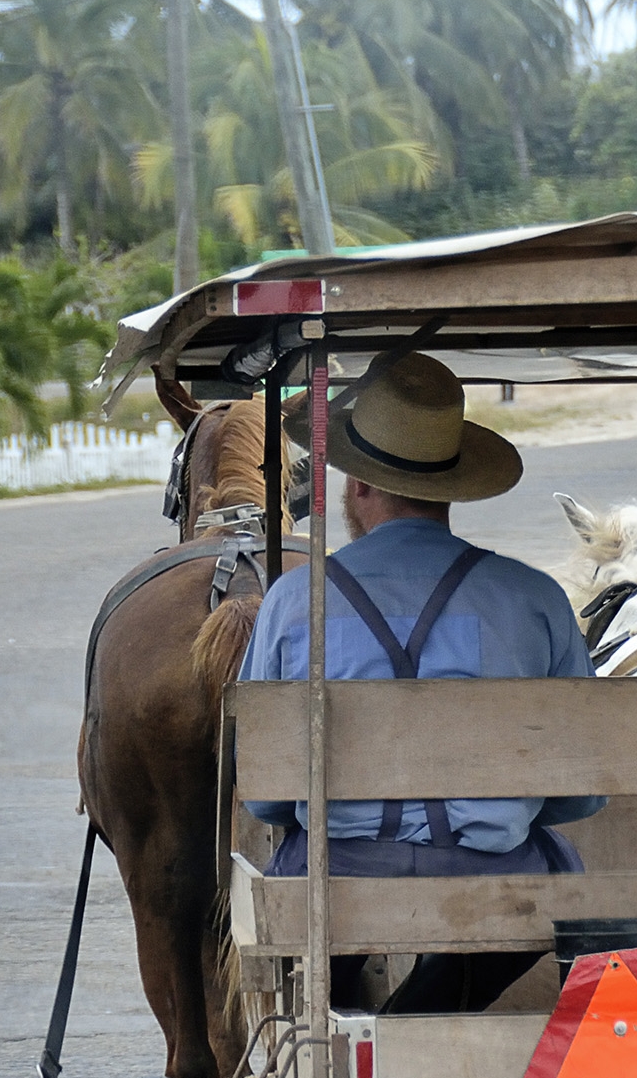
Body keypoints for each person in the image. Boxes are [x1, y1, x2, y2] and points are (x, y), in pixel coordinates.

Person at [239, 352, 603, 1014]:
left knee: (301, 873)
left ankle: (353, 1036)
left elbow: (264, 802)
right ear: (453, 488)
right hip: (496, 884)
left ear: (358, 486)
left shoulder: (295, 603)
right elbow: (577, 799)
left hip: (335, 880)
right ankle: (422, 1022)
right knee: (558, 865)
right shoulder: (535, 598)